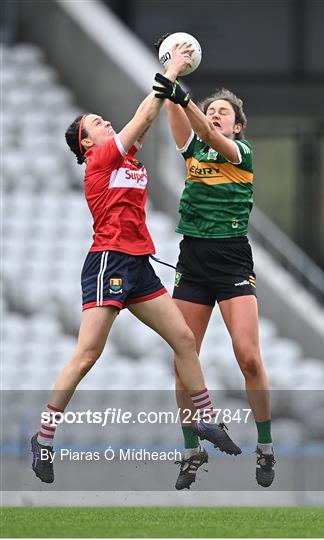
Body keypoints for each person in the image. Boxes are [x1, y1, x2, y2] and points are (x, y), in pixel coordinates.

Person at [30, 44, 242, 485]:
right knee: (88, 355)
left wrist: (171, 85)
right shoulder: (99, 159)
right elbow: (145, 116)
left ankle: (205, 419)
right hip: (109, 261)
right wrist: (172, 68)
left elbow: (149, 119)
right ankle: (44, 437)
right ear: (86, 143)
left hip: (138, 264)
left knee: (183, 339)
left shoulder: (125, 156)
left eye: (104, 120)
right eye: (96, 124)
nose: (105, 123)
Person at [152, 55, 276, 490]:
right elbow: (174, 111)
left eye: (224, 112)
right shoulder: (195, 150)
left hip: (232, 260)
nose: (215, 115)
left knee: (250, 358)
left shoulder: (240, 152)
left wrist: (186, 99)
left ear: (237, 127)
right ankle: (191, 451)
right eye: (212, 109)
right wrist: (171, 69)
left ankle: (265, 445)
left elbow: (199, 126)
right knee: (182, 361)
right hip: (194, 261)